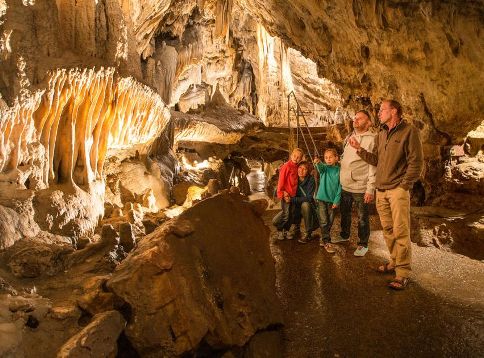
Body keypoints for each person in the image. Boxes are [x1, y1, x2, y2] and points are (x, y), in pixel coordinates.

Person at [348, 100, 424, 290]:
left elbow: (416, 162)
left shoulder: (409, 131)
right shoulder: (382, 133)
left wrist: (404, 186)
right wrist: (359, 149)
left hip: (397, 190)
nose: (379, 113)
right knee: (388, 231)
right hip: (381, 190)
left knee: (401, 231)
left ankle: (403, 272)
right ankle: (394, 262)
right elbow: (377, 161)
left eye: (382, 109)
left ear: (394, 111)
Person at [335, 110, 376, 257]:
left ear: (369, 122)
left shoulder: (372, 139)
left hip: (360, 186)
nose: (355, 120)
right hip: (345, 185)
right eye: (355, 118)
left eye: (360, 118)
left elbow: (373, 164)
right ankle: (344, 235)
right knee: (344, 213)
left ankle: (363, 244)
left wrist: (370, 189)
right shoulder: (350, 136)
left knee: (362, 218)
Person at [314, 148, 342, 253]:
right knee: (324, 221)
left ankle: (324, 237)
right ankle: (327, 242)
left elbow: (340, 186)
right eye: (326, 157)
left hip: (333, 201)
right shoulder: (324, 168)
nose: (328, 159)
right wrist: (318, 162)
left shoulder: (339, 171)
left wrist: (336, 200)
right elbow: (320, 168)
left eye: (330, 157)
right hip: (321, 199)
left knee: (329, 221)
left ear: (336, 158)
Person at [273, 148, 304, 240]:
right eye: (294, 156)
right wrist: (282, 193)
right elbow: (281, 181)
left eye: (298, 157)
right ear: (291, 156)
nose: (296, 158)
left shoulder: (297, 166)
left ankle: (286, 230)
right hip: (286, 195)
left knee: (291, 214)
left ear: (301, 159)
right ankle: (279, 230)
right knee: (286, 215)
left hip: (293, 196)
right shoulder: (286, 166)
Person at [289, 161, 318, 243]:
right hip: (296, 206)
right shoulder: (294, 178)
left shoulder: (311, 180)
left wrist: (292, 199)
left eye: (304, 169)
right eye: (300, 168)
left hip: (307, 206)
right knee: (276, 221)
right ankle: (296, 226)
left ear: (308, 171)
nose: (301, 170)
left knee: (305, 204)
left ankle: (308, 233)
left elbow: (309, 198)